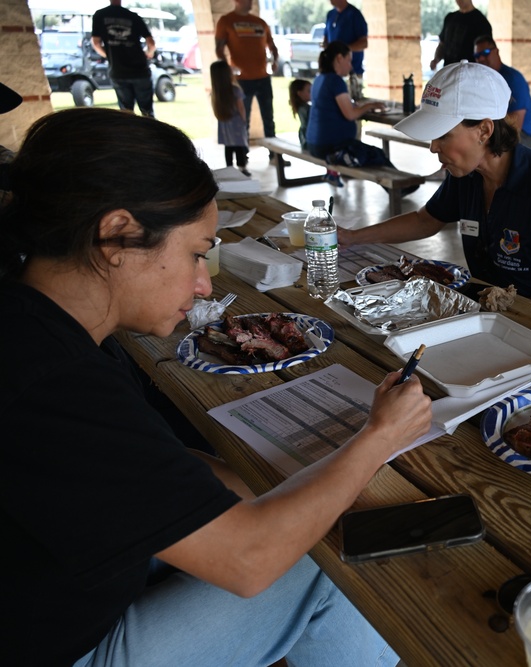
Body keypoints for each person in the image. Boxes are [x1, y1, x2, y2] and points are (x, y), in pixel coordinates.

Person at [1, 107, 431, 665]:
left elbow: (151, 466)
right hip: (65, 645)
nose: (204, 284)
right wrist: (377, 437)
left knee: (310, 514)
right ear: (116, 235)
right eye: (196, 253)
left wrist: (276, 490)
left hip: (67, 581)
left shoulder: (37, 321)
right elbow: (249, 561)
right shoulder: (49, 379)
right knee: (328, 556)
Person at [339, 62, 531, 317]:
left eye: (443, 135)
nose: (433, 147)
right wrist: (353, 237)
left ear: (484, 130)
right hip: (491, 310)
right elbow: (425, 220)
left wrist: (478, 324)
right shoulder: (468, 174)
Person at [307, 42, 413, 192]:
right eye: (349, 61)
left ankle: (403, 187)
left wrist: (361, 106)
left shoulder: (320, 78)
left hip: (315, 143)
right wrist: (369, 106)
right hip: (331, 146)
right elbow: (351, 115)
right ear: (339, 58)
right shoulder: (335, 81)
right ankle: (402, 188)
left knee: (373, 153)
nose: (350, 66)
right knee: (376, 154)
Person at [215, 0, 283, 165]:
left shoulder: (260, 23)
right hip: (241, 81)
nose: (251, 2)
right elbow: (219, 48)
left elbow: (272, 46)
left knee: (269, 117)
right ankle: (242, 156)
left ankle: (274, 155)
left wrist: (274, 61)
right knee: (241, 119)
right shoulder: (226, 20)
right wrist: (227, 69)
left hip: (262, 77)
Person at [472, 34, 531, 150]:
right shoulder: (483, 80)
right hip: (495, 129)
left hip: (523, 137)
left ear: (496, 51)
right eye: (477, 55)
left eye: (486, 52)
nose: (481, 58)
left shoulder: (513, 79)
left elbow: (515, 126)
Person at [91, 0, 156, 117]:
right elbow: (151, 43)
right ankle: (153, 134)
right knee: (147, 113)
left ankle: (129, 134)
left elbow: (96, 43)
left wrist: (109, 56)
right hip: (140, 70)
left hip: (118, 71)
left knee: (126, 113)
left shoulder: (100, 15)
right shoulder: (133, 16)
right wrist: (148, 53)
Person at [321, 0, 368, 101]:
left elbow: (364, 42)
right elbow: (326, 37)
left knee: (352, 103)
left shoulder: (354, 14)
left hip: (352, 72)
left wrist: (343, 50)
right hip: (333, 72)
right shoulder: (330, 14)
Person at [210, 60, 250, 177]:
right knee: (239, 146)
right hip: (237, 122)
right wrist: (244, 120)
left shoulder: (216, 92)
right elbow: (241, 107)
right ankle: (242, 168)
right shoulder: (235, 90)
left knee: (228, 147)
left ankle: (229, 168)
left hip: (224, 122)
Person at [430, 0, 492, 71]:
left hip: (469, 73)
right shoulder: (449, 18)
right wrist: (436, 59)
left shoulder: (481, 22)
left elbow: (485, 51)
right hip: (449, 71)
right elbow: (442, 44)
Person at [289, 77, 312, 149]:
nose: (312, 93)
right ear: (300, 93)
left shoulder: (301, 107)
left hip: (304, 138)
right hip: (308, 140)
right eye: (309, 91)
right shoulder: (305, 108)